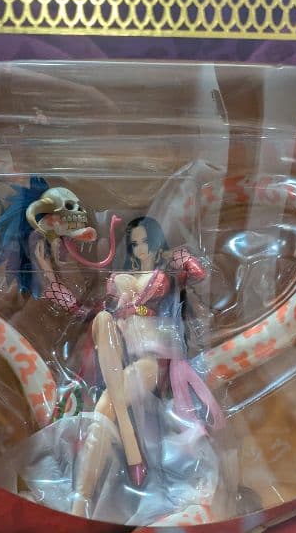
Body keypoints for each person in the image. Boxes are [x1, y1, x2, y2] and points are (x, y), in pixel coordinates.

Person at [74, 217, 223, 514]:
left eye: (145, 241)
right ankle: (117, 463)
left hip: (155, 359)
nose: (140, 248)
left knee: (106, 406)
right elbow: (88, 311)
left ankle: (82, 498)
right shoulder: (121, 277)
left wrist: (176, 257)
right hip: (120, 354)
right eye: (134, 243)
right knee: (102, 320)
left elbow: (198, 272)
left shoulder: (163, 272)